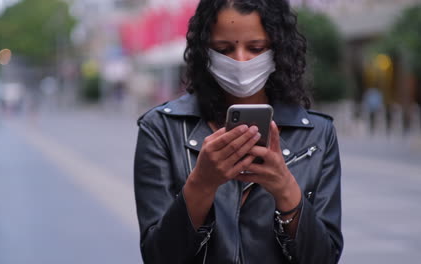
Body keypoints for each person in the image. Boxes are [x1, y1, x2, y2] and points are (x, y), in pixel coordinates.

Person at [134, 0, 343, 263]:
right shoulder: (161, 129)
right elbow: (158, 257)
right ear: (204, 51)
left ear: (278, 49)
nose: (241, 61)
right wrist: (202, 183)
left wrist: (285, 188)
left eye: (256, 48)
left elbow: (325, 257)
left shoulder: (318, 134)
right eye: (223, 49)